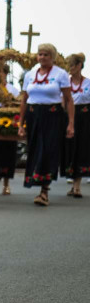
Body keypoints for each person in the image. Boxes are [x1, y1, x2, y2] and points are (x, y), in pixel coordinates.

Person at [19, 44, 75, 206]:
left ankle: (44, 190)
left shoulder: (61, 74)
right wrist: (20, 124)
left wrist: (71, 123)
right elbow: (24, 99)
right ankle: (38, 183)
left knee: (48, 150)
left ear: (53, 57)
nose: (42, 57)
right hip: (33, 115)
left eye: (46, 55)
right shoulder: (30, 74)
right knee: (35, 149)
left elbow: (69, 100)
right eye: (40, 54)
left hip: (53, 116)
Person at [63, 53, 88, 197]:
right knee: (69, 149)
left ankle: (77, 186)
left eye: (72, 65)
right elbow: (63, 101)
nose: (70, 68)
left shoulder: (88, 83)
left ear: (79, 66)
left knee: (81, 149)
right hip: (68, 117)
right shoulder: (66, 83)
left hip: (85, 118)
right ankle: (72, 183)